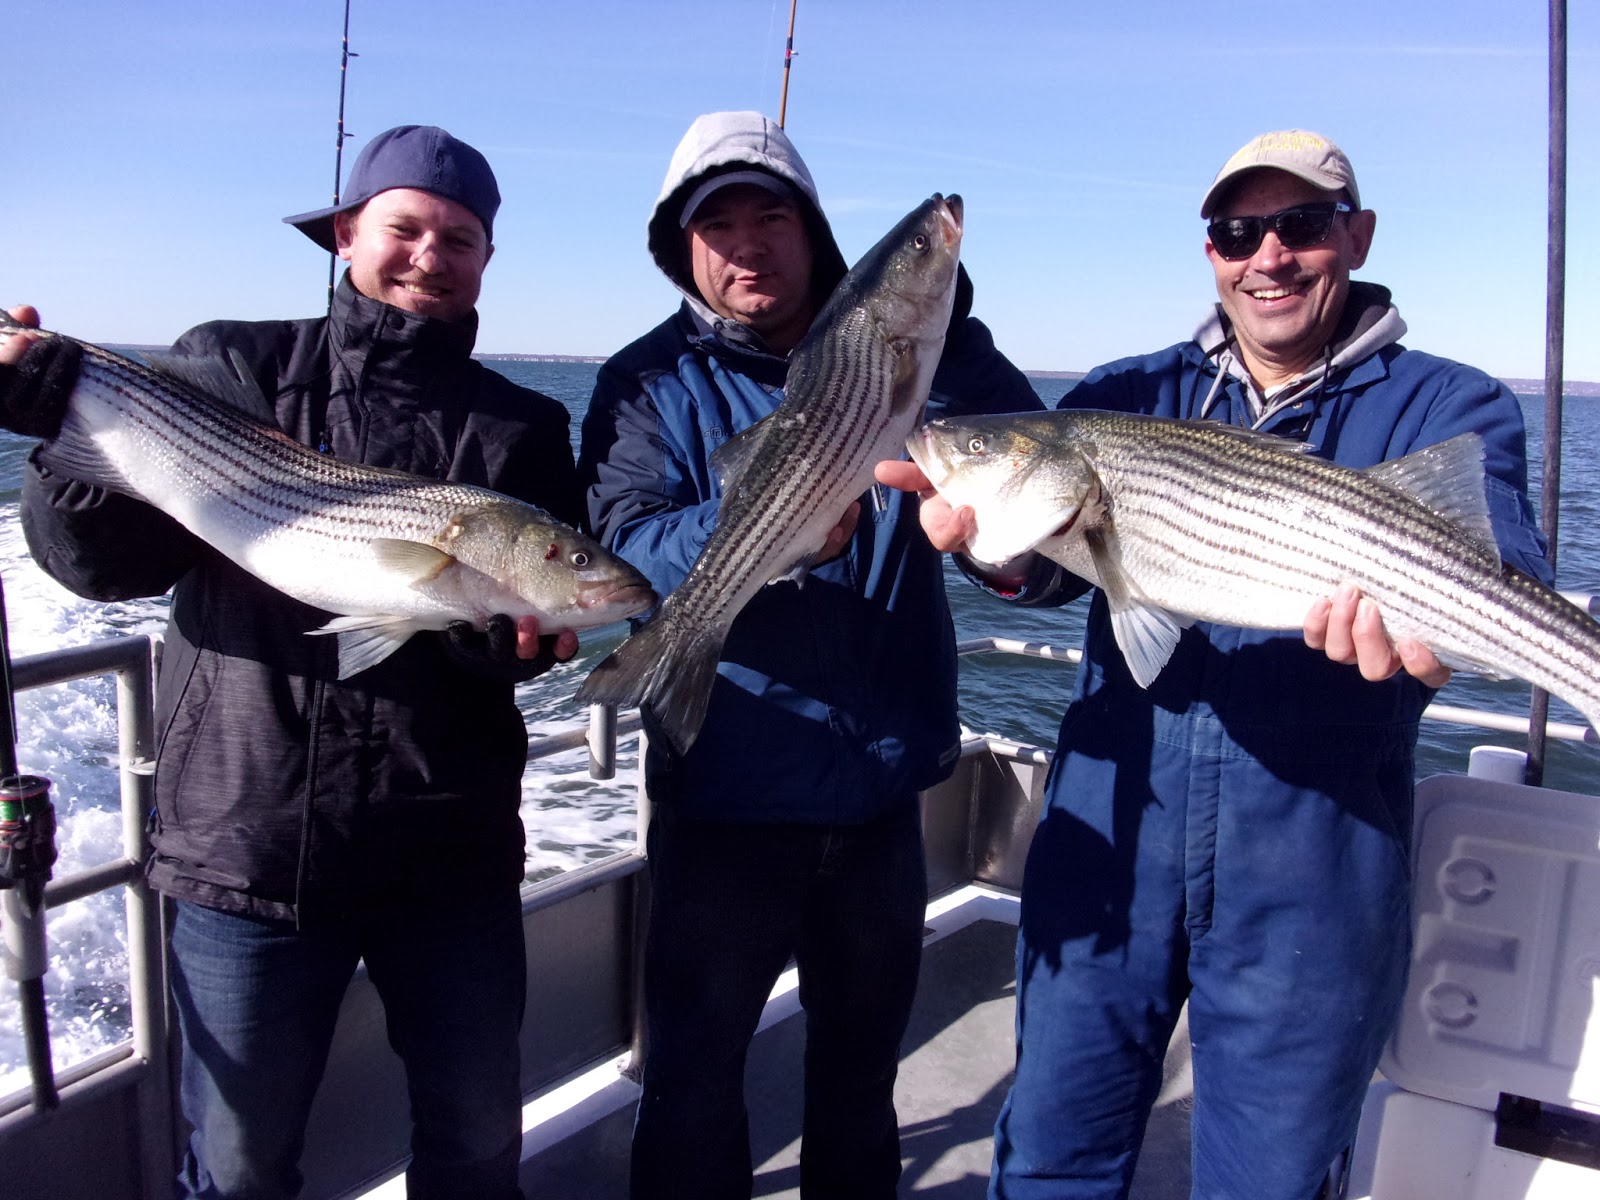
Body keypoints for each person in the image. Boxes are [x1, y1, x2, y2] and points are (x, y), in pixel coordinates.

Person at [877, 129, 1551, 1199]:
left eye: (1301, 226)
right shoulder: (1125, 394)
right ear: (1210, 253)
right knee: (1050, 1156)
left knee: (1269, 1183)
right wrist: (995, 552)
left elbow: (1504, 563)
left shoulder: (1446, 402)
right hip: (1110, 837)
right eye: (1238, 232)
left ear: (1355, 236)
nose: (1268, 256)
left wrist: (1440, 637)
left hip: (1316, 867)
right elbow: (1055, 572)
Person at [0, 124, 583, 1199]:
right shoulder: (235, 362)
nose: (429, 254)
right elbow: (98, 564)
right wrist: (52, 437)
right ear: (347, 235)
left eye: (460, 237)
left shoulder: (526, 427)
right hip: (248, 846)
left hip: (447, 858)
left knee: (475, 1144)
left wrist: (512, 650)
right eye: (404, 228)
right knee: (237, 1165)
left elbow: (529, 634)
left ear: (487, 260)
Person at [576, 110, 1041, 1199]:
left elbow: (1032, 510)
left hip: (881, 797)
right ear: (679, 247)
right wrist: (766, 522)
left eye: (771, 216)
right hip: (725, 800)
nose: (747, 243)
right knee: (692, 1087)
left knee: (858, 1082)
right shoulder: (643, 384)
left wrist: (938, 330)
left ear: (816, 231)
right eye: (717, 222)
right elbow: (626, 550)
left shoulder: (940, 353)